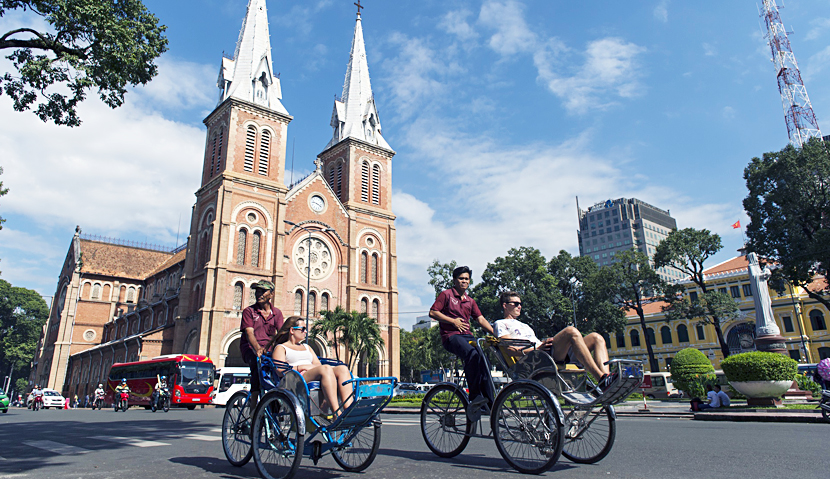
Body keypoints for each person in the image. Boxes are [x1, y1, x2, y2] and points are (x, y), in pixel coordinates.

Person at [494, 291, 616, 393]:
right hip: (535, 360)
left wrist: (543, 344)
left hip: (545, 352)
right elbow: (509, 350)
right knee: (570, 331)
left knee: (596, 337)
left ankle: (606, 380)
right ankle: (601, 379)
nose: (519, 306)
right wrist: (537, 349)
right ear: (505, 305)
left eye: (520, 304)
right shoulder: (500, 324)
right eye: (515, 304)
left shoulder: (525, 325)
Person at [429, 266, 496, 416]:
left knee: (484, 361)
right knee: (472, 354)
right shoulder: (446, 295)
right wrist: (453, 321)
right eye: (461, 278)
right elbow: (433, 312)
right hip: (451, 336)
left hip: (467, 336)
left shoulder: (470, 301)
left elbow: (480, 318)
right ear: (454, 280)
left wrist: (495, 333)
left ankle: (490, 403)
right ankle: (475, 397)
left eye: (466, 279)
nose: (464, 281)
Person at [269, 316, 353, 417]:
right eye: (303, 329)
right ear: (292, 330)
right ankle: (336, 413)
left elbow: (318, 364)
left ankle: (348, 411)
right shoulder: (281, 348)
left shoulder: (307, 347)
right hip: (295, 378)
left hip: (312, 373)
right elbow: (280, 370)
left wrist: (310, 367)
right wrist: (301, 367)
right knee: (325, 369)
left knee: (342, 369)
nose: (306, 332)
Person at [239, 280, 284, 412]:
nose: (259, 294)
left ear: (272, 294)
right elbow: (249, 333)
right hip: (250, 348)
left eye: (263, 291)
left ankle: (274, 403)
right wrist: (257, 348)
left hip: (268, 351)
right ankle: (253, 408)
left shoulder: (277, 313)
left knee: (280, 369)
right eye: (257, 291)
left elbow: (281, 335)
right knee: (257, 366)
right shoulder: (249, 311)